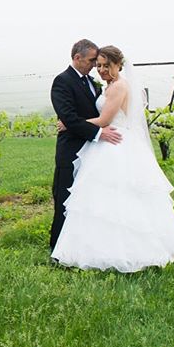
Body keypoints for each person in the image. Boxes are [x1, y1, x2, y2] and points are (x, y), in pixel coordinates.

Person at [51, 45, 174, 272]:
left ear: (118, 65)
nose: (99, 69)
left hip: (115, 143)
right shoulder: (102, 84)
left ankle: (128, 248)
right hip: (103, 143)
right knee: (99, 200)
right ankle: (93, 245)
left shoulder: (119, 85)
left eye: (104, 65)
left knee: (121, 198)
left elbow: (104, 119)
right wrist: (78, 123)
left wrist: (70, 123)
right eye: (97, 64)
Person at [50, 39, 123, 252]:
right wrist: (99, 132)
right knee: (65, 200)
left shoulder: (93, 82)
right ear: (77, 58)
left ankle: (83, 246)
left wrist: (99, 131)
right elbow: (70, 119)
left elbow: (97, 114)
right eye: (92, 61)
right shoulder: (62, 81)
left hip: (93, 152)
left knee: (86, 202)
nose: (95, 66)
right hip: (71, 150)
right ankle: (58, 249)